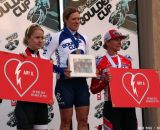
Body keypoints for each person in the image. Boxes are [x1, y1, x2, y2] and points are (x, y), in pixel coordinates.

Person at [43, 7, 90, 130]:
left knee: (83, 120)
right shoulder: (56, 36)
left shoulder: (84, 38)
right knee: (66, 121)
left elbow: (86, 59)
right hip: (65, 84)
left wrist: (92, 69)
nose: (77, 21)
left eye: (79, 19)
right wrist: (60, 71)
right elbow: (44, 60)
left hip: (81, 84)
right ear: (66, 20)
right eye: (74, 19)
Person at [90, 29, 137, 130]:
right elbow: (93, 89)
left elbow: (133, 86)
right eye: (116, 39)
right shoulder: (99, 63)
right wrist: (104, 82)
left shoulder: (127, 61)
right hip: (111, 105)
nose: (119, 42)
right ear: (107, 42)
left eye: (120, 39)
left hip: (128, 105)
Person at [15, 24, 50, 130]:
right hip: (25, 105)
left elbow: (46, 84)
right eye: (36, 37)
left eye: (42, 38)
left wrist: (49, 96)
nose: (40, 40)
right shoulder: (19, 57)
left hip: (41, 105)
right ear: (28, 39)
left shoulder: (45, 60)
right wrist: (22, 62)